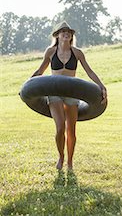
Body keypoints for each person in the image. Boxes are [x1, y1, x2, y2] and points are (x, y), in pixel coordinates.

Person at [31, 21, 107, 170]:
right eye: (63, 31)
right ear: (57, 35)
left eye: (69, 32)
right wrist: (28, 84)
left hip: (72, 94)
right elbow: (40, 71)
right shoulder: (50, 52)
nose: (66, 33)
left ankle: (70, 162)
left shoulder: (77, 53)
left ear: (71, 35)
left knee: (71, 130)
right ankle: (61, 157)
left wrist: (102, 86)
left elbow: (89, 71)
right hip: (54, 93)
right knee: (60, 127)